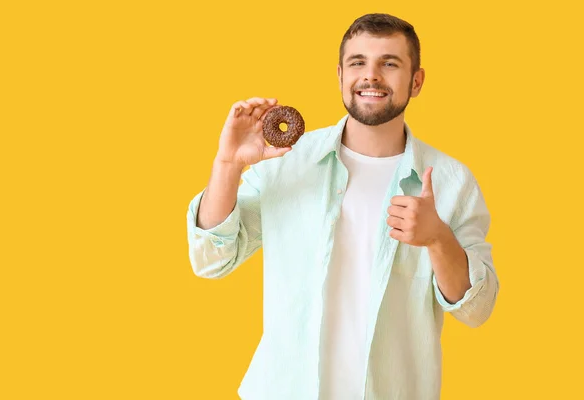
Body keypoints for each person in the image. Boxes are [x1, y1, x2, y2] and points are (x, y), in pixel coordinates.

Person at [187, 12, 499, 400]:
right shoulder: (287, 162)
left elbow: (476, 309)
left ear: (416, 81)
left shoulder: (452, 183)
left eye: (390, 63)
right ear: (339, 76)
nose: (371, 76)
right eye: (358, 63)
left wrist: (438, 239)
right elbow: (211, 259)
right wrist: (227, 165)